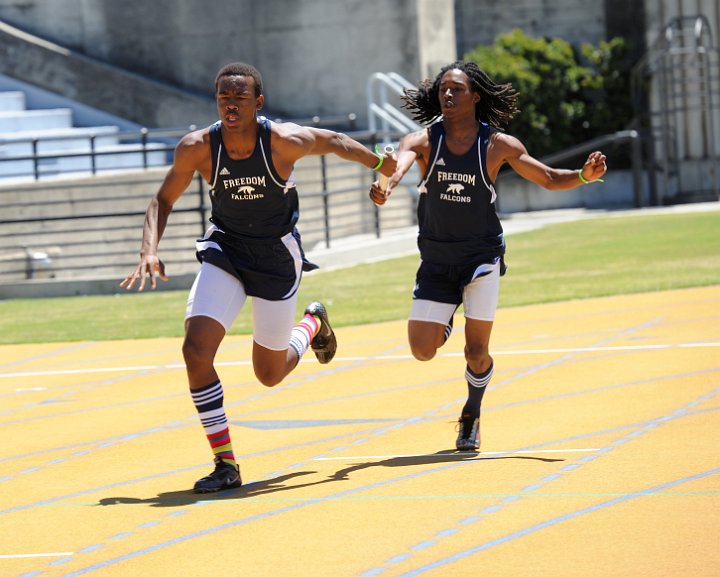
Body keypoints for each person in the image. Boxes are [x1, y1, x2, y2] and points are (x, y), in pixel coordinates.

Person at [121, 62, 396, 492]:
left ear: (258, 102)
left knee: (268, 373)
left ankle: (312, 323)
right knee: (195, 351)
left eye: (240, 98)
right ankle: (225, 463)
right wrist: (148, 250)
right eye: (223, 98)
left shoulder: (284, 141)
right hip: (226, 250)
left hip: (274, 256)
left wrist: (380, 161)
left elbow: (338, 141)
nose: (230, 105)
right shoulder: (197, 147)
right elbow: (163, 199)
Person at [369, 61, 607, 451]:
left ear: (475, 96)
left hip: (481, 259)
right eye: (444, 88)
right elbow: (399, 165)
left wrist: (583, 176)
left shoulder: (497, 145)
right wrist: (387, 186)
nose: (448, 94)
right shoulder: (424, 140)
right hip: (437, 259)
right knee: (421, 349)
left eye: (457, 89)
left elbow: (547, 178)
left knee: (476, 352)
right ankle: (444, 319)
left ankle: (471, 413)